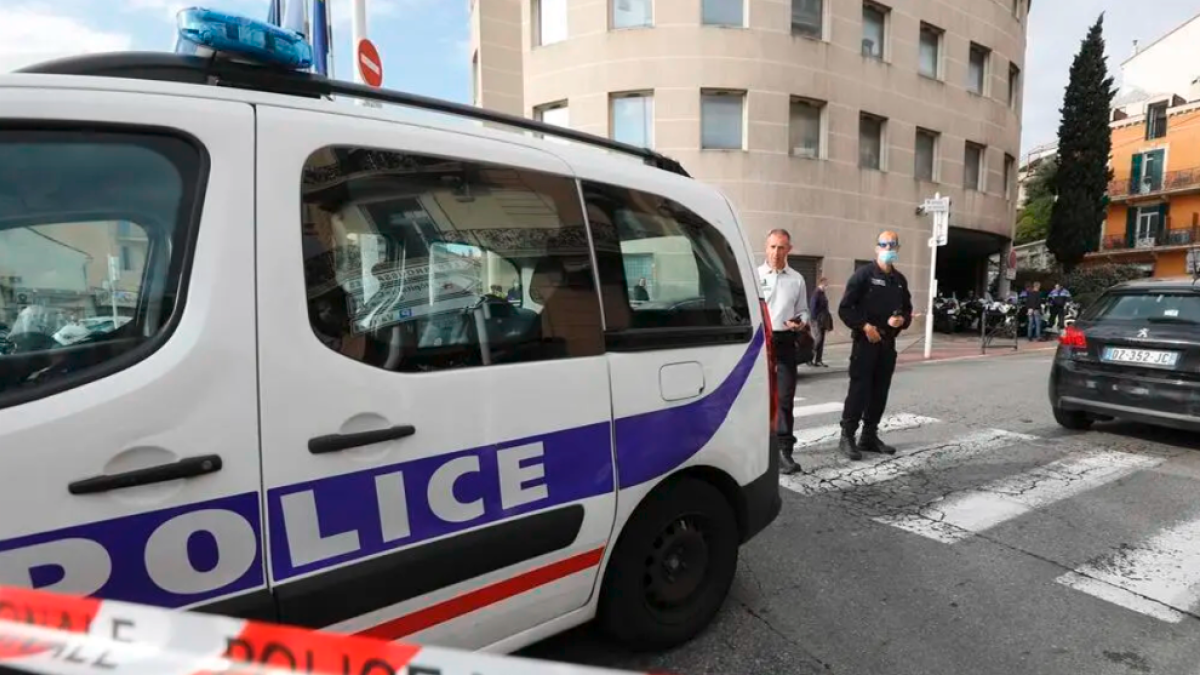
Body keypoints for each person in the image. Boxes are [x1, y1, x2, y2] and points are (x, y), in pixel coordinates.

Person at [837, 231, 913, 461]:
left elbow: (907, 310)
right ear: (877, 248)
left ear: (898, 248)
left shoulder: (899, 280)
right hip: (865, 343)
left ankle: (869, 435)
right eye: (884, 244)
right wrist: (864, 326)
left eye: (892, 245)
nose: (888, 248)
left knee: (880, 392)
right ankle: (847, 436)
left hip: (887, 344)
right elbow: (845, 308)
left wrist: (902, 320)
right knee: (859, 390)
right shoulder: (864, 275)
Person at [759, 229, 809, 475]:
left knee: (785, 399)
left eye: (781, 248)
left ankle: (783, 451)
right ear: (765, 247)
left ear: (789, 249)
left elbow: (804, 310)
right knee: (756, 398)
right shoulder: (754, 276)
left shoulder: (797, 279)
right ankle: (757, 449)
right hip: (759, 343)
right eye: (772, 247)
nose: (776, 253)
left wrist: (800, 321)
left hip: (785, 341)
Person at [808, 277, 832, 368]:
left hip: (822, 320)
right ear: (821, 283)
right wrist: (814, 319)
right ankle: (809, 358)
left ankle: (818, 360)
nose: (827, 285)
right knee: (818, 339)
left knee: (821, 340)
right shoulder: (816, 293)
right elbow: (812, 307)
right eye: (826, 283)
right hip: (816, 320)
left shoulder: (822, 293)